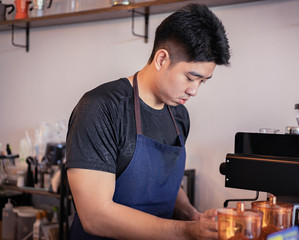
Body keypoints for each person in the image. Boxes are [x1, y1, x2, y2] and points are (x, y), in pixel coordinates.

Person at [65, 3, 230, 239]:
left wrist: (193, 216)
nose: (194, 91)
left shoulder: (179, 115)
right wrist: (186, 231)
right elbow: (95, 216)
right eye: (191, 77)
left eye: (203, 81)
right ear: (162, 59)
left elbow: (164, 184)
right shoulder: (101, 108)